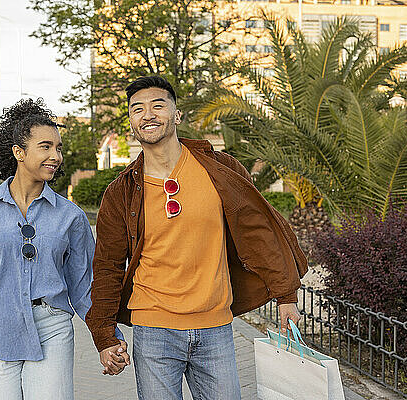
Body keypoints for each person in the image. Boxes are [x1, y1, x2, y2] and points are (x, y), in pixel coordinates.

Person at [85, 76, 308, 400]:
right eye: (137, 109)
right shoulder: (121, 192)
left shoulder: (219, 169)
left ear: (176, 115)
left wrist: (286, 295)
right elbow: (106, 266)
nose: (148, 114)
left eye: (157, 105)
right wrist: (104, 334)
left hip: (215, 327)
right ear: (131, 121)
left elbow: (256, 231)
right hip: (154, 329)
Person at [0, 98, 123, 400]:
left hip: (52, 329)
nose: (55, 156)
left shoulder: (70, 216)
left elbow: (85, 287)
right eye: (45, 147)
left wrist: (108, 339)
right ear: (19, 152)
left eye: (58, 148)